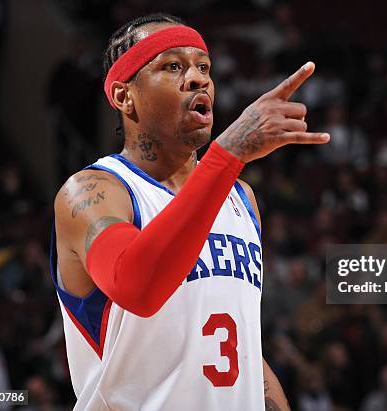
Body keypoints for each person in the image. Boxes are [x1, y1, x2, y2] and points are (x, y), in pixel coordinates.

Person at [51, 13, 329, 410]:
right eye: (173, 66)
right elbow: (138, 288)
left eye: (203, 67)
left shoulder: (240, 198)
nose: (197, 78)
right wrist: (228, 154)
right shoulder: (94, 192)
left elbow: (241, 346)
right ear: (123, 96)